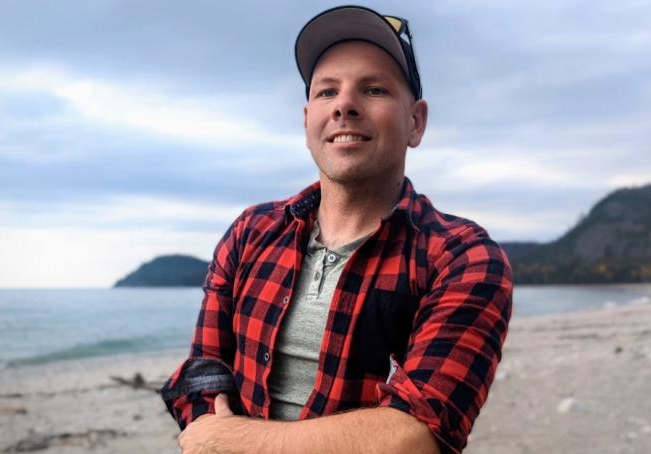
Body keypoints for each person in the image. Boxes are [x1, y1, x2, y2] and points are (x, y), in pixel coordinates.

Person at [160, 5, 513, 454]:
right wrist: (209, 426)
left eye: (374, 89)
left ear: (416, 122)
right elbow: (204, 372)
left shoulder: (463, 258)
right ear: (307, 120)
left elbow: (419, 435)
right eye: (327, 92)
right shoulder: (251, 233)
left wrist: (235, 441)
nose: (345, 105)